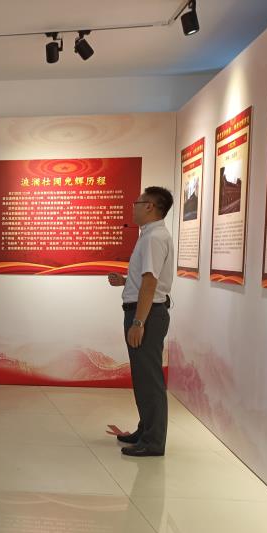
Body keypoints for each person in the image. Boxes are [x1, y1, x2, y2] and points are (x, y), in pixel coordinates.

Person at [107, 186, 175, 457]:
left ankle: (153, 441)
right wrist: (126, 282)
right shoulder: (150, 235)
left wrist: (138, 323)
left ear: (150, 206)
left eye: (137, 202)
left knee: (149, 379)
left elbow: (150, 282)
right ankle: (145, 429)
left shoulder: (154, 238)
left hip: (147, 314)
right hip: (146, 311)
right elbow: (146, 279)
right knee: (143, 376)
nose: (133, 207)